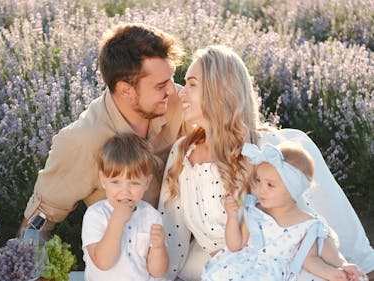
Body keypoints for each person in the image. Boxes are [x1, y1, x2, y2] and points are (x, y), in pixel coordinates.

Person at [158, 45, 374, 281]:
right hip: (220, 269)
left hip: (277, 265)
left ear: (219, 90)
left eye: (192, 84)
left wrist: (339, 265)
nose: (181, 94)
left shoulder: (263, 149)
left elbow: (303, 219)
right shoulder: (181, 154)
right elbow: (172, 234)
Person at [20, 23, 185, 236]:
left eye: (171, 78)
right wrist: (21, 264)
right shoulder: (83, 140)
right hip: (122, 257)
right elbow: (40, 219)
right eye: (161, 85)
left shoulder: (179, 102)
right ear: (126, 90)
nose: (173, 90)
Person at [201, 143, 366, 281]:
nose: (260, 189)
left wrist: (339, 269)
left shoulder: (307, 225)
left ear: (292, 190)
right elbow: (235, 245)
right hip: (242, 269)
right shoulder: (255, 212)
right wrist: (232, 218)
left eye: (270, 185)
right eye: (259, 181)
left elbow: (311, 259)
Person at [81, 133, 168, 280]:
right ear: (103, 180)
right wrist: (116, 222)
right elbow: (103, 262)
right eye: (116, 182)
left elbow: (157, 271)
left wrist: (159, 248)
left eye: (134, 183)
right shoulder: (96, 215)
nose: (125, 191)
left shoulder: (151, 216)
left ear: (146, 183)